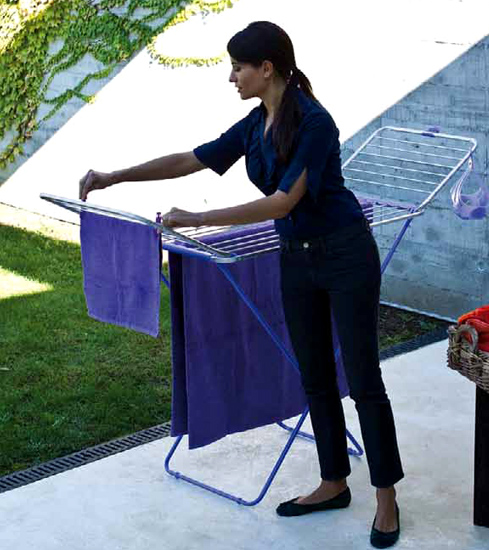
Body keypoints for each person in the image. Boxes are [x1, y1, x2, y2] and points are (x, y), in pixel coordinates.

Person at [79, 21, 404, 548]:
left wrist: (197, 219)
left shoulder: (315, 123)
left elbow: (283, 202)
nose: (231, 77)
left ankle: (386, 497)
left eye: (237, 67)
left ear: (266, 68)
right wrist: (113, 177)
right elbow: (192, 158)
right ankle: (333, 483)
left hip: (345, 256)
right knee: (315, 376)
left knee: (364, 378)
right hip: (295, 259)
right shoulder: (257, 123)